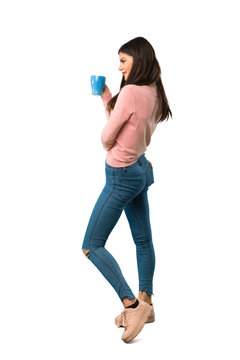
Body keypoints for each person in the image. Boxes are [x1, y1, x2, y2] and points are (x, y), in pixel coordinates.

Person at [82, 36, 172, 343]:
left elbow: (108, 138)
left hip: (120, 174)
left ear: (139, 60)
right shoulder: (154, 90)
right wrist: (108, 98)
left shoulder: (131, 92)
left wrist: (111, 108)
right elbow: (131, 128)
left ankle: (131, 304)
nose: (119, 67)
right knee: (143, 240)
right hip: (140, 169)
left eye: (123, 60)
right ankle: (148, 302)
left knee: (91, 245)